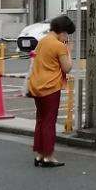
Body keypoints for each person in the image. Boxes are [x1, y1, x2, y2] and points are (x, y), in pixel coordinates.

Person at [26, 15, 74, 168]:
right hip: (50, 86)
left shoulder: (43, 41)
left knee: (40, 120)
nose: (66, 36)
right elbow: (67, 68)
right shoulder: (59, 45)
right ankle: (48, 156)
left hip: (36, 85)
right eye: (67, 33)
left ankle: (39, 154)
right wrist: (69, 51)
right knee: (49, 122)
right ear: (62, 31)